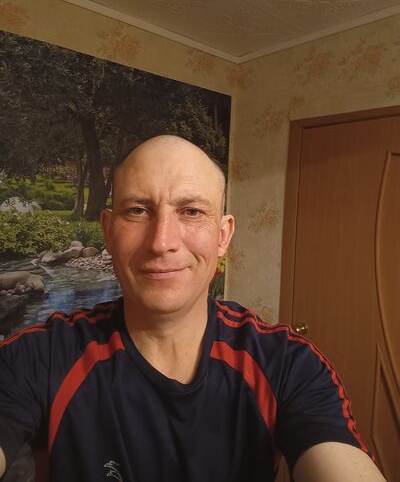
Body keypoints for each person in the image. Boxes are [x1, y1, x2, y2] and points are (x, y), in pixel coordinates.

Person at [0, 135, 385, 482]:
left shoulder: (288, 364)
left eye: (191, 211)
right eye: (137, 210)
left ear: (223, 236)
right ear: (108, 231)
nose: (161, 241)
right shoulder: (36, 358)